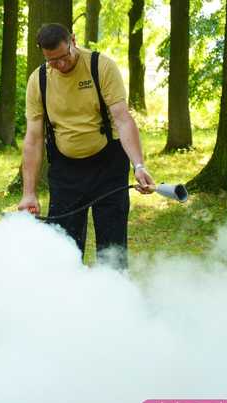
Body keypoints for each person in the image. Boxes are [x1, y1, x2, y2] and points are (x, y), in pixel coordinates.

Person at [18, 23, 155, 268]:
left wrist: (139, 165)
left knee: (112, 246)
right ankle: (69, 300)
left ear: (73, 40)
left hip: (109, 166)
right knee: (63, 246)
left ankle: (115, 298)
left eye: (63, 56)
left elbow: (123, 119)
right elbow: (33, 139)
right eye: (52, 61)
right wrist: (29, 192)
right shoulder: (38, 80)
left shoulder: (100, 66)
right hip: (65, 170)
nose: (59, 65)